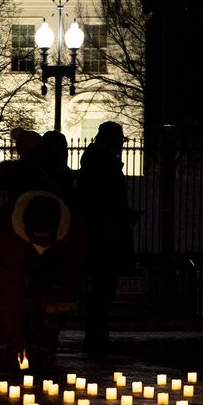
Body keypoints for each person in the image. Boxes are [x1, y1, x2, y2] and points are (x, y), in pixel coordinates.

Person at [0, 189, 85, 372]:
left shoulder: (73, 233)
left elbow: (68, 276)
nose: (41, 245)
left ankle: (41, 348)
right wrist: (9, 341)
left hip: (50, 270)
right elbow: (6, 297)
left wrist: (45, 342)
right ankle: (8, 348)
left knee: (58, 301)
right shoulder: (4, 234)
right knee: (1, 309)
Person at [76, 121, 134, 351]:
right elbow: (102, 201)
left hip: (104, 233)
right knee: (103, 288)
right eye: (119, 140)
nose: (121, 144)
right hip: (105, 235)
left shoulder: (97, 162)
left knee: (103, 288)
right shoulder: (103, 165)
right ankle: (96, 336)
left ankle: (97, 335)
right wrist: (120, 215)